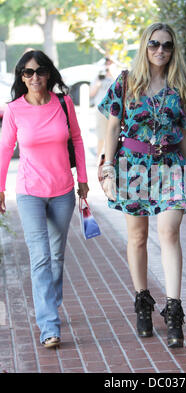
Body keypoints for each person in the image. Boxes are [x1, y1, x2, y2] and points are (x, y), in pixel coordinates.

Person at [98, 23, 186, 348]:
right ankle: (143, 302)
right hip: (134, 166)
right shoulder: (126, 82)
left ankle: (173, 310)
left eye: (167, 45)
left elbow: (185, 132)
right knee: (138, 236)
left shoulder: (181, 85)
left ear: (174, 49)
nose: (160, 50)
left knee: (169, 232)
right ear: (145, 46)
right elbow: (113, 127)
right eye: (154, 44)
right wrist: (108, 168)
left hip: (171, 165)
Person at [0, 50, 89, 348]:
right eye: (27, 72)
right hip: (29, 193)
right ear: (21, 77)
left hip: (63, 190)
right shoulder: (13, 109)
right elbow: (4, 149)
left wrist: (84, 181)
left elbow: (76, 139)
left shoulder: (63, 103)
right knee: (40, 257)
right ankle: (49, 325)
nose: (34, 77)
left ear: (49, 73)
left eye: (39, 71)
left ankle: (51, 301)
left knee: (56, 256)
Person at [90, 58, 115, 159]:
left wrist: (112, 73)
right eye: (106, 64)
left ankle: (110, 157)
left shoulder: (117, 76)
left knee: (113, 135)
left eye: (110, 64)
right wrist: (99, 82)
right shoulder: (98, 76)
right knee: (101, 135)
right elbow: (91, 93)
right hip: (101, 110)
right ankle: (98, 157)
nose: (107, 66)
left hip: (114, 111)